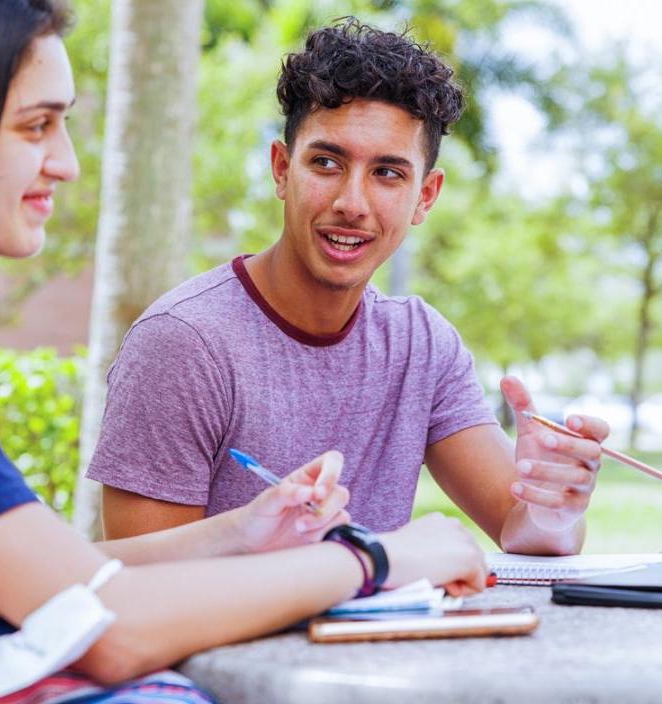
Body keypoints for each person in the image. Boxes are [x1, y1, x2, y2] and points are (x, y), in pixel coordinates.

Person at [0, 2, 490, 701]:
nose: (66, 164)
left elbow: (62, 582)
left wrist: (245, 531)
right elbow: (103, 630)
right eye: (36, 126)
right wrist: (379, 559)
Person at [86, 19, 610, 555]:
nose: (352, 203)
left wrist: (553, 506)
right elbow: (136, 590)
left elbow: (525, 532)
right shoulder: (184, 344)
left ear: (425, 196)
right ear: (281, 169)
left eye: (387, 173)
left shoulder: (420, 345)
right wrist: (357, 567)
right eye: (327, 162)